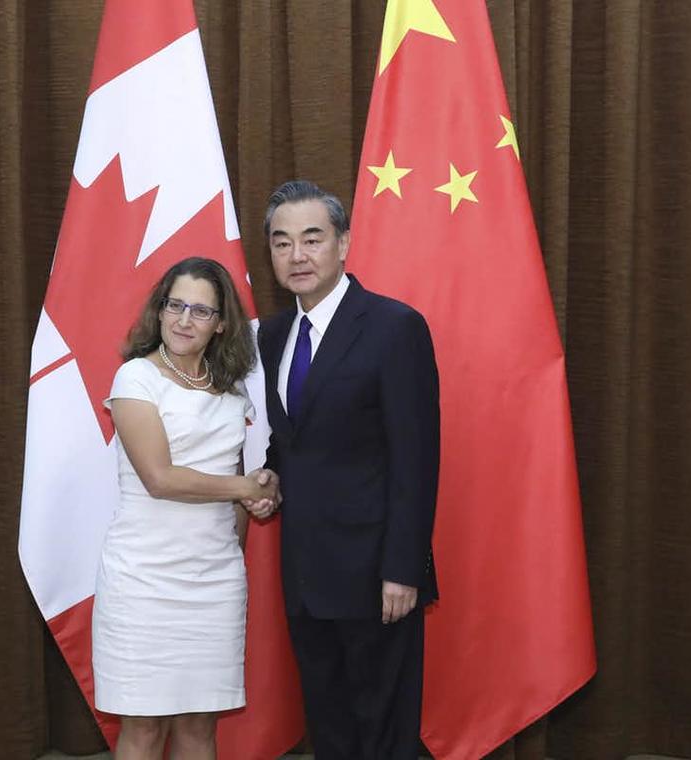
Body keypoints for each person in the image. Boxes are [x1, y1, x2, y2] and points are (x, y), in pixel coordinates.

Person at [257, 180, 441, 759]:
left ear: (344, 244)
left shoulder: (394, 327)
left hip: (376, 577)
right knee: (330, 726)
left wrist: (403, 569)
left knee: (382, 731)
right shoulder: (273, 335)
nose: (297, 255)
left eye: (312, 239)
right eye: (282, 243)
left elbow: (417, 458)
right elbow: (293, 441)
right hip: (305, 575)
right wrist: (267, 481)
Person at [91, 256, 279, 760]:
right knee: (145, 729)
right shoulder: (135, 378)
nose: (183, 320)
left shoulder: (233, 391)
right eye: (176, 305)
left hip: (214, 583)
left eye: (200, 311)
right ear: (159, 310)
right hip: (143, 581)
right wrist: (242, 488)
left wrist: (259, 496)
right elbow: (160, 478)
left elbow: (238, 489)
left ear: (221, 324)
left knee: (199, 728)